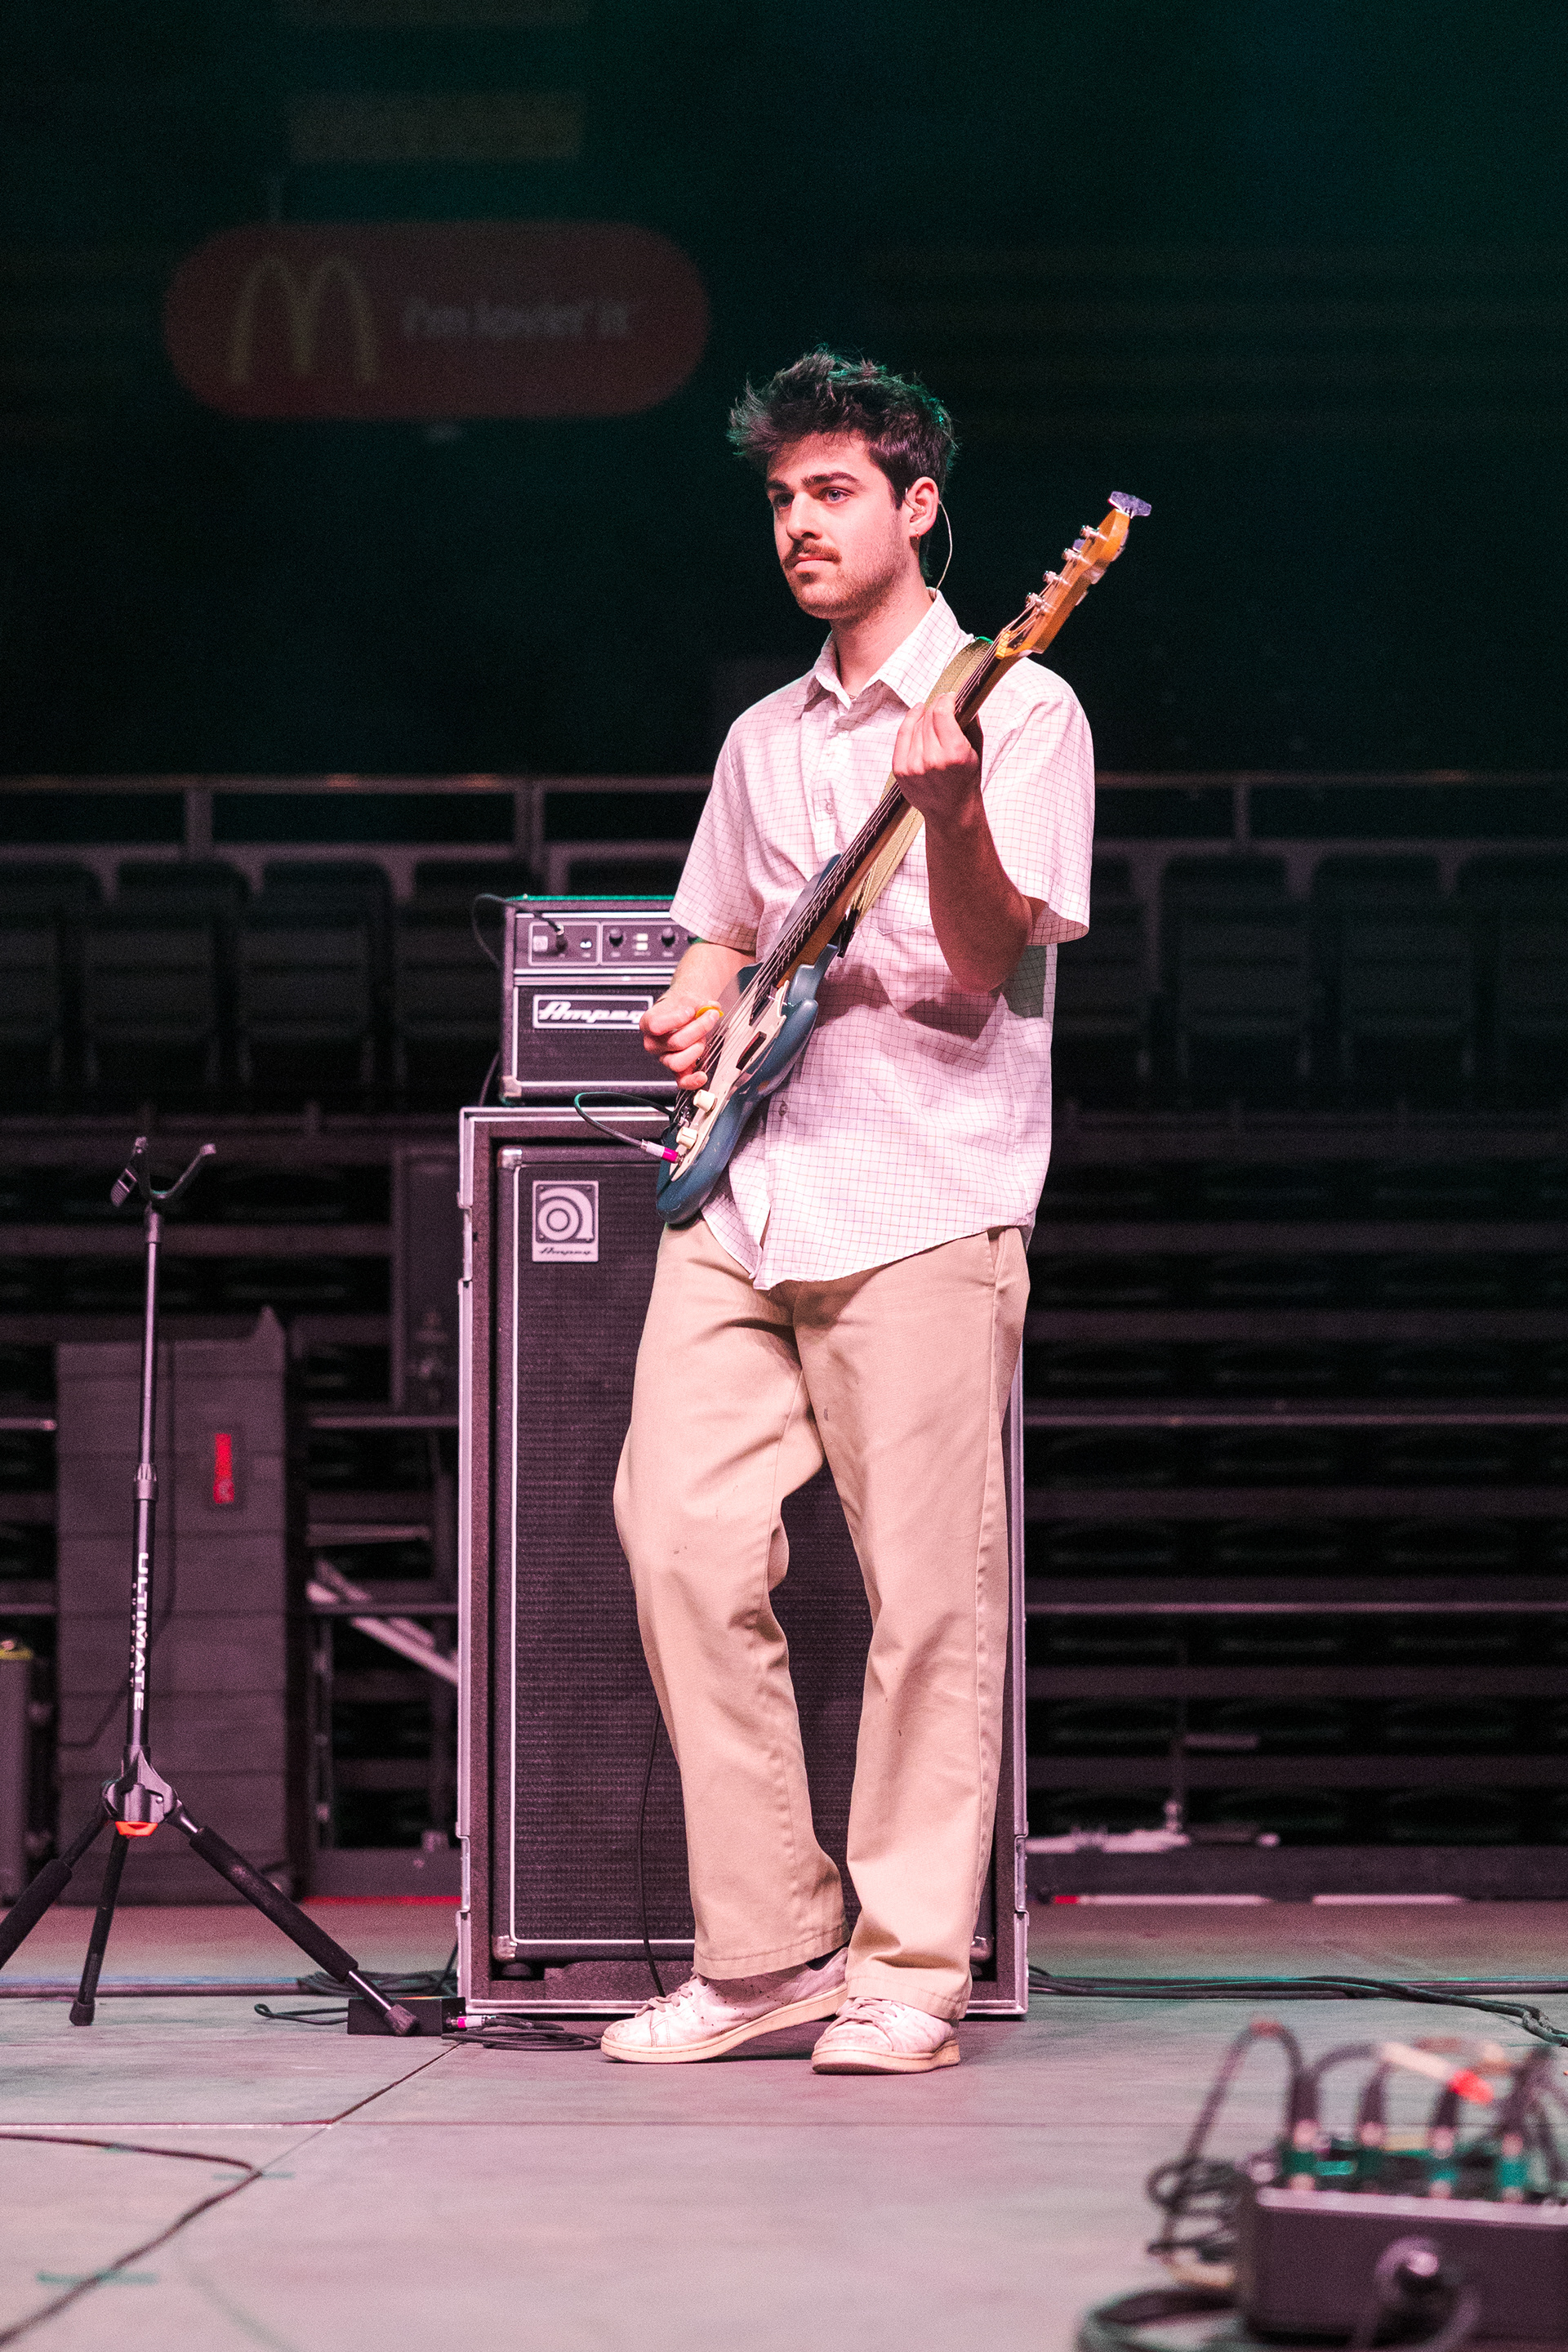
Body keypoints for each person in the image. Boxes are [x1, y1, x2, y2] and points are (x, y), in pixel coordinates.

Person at [604, 350, 1094, 2074]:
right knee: (674, 1534)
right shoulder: (762, 736)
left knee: (926, 1598)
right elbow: (723, 931)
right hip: (752, 1187)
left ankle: (906, 1974)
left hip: (922, 1190)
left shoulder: (1022, 709)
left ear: (918, 505)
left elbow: (978, 965)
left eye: (832, 493)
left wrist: (948, 814)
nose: (799, 525)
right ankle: (765, 1950)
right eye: (780, 498)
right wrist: (693, 1004)